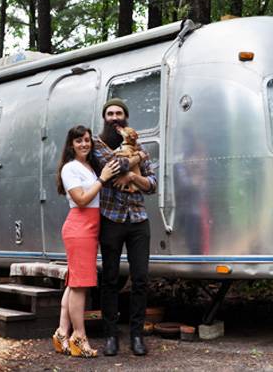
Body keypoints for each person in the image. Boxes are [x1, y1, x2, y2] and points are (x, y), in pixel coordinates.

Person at [93, 98, 157, 356]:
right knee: (109, 279)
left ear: (126, 119)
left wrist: (132, 177)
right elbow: (114, 165)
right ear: (105, 118)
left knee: (140, 278)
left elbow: (152, 184)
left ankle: (137, 336)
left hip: (138, 220)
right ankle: (110, 335)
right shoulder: (98, 144)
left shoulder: (137, 145)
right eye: (110, 114)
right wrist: (139, 157)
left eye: (119, 113)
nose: (114, 117)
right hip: (111, 219)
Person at [53, 125, 119, 358]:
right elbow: (81, 199)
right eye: (79, 141)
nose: (84, 144)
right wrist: (102, 179)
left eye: (87, 140)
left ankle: (62, 332)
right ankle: (79, 337)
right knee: (81, 285)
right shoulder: (70, 168)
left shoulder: (86, 166)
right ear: (71, 144)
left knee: (74, 282)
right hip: (80, 227)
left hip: (88, 227)